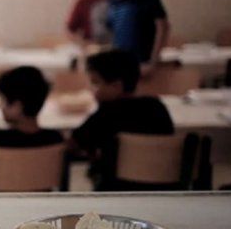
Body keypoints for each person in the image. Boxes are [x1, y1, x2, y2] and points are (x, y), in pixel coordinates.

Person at [70, 50, 174, 190]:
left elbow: (74, 144)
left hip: (116, 191)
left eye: (95, 83)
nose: (91, 90)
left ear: (116, 86)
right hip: (162, 190)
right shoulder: (157, 107)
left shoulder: (106, 114)